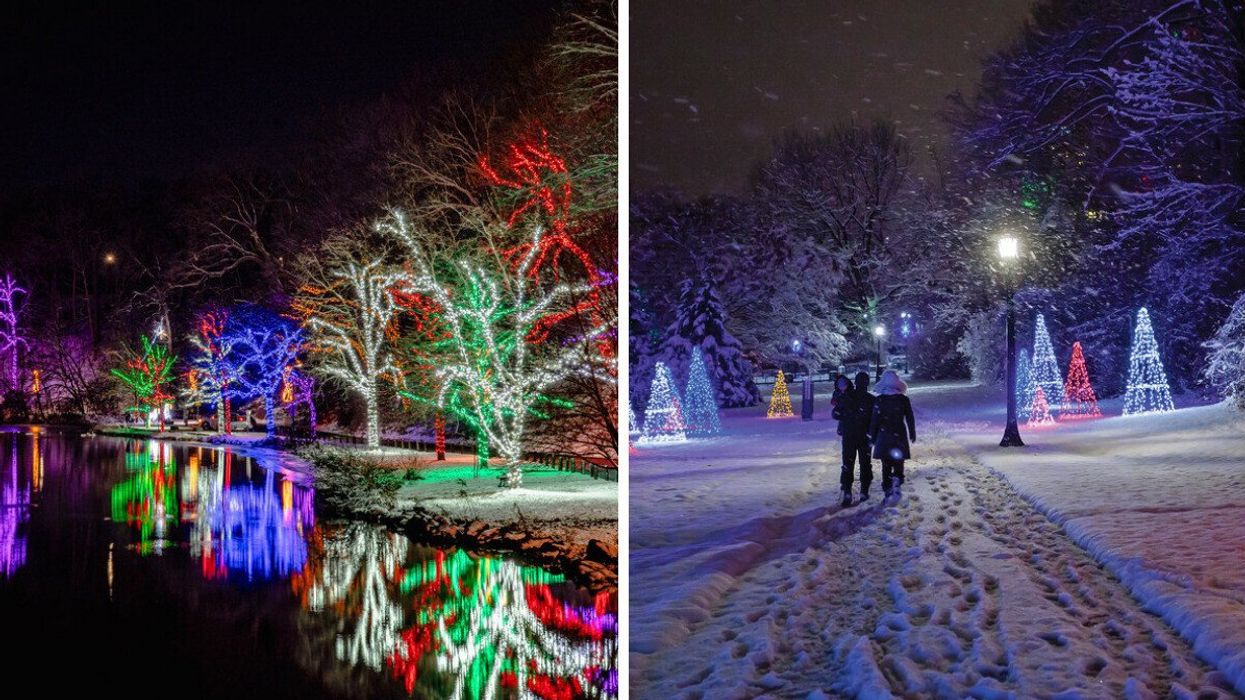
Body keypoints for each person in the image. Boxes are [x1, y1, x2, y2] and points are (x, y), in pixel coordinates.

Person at [869, 369, 916, 499]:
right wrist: (912, 432)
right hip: (899, 433)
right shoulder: (903, 400)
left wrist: (872, 437)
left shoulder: (879, 400)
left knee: (886, 463)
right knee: (898, 460)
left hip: (884, 435)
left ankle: (887, 486)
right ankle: (897, 479)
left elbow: (875, 420)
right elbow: (909, 417)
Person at [833, 371, 875, 506]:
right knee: (865, 464)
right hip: (865, 437)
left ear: (855, 383)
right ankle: (864, 491)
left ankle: (847, 492)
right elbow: (876, 420)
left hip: (849, 436)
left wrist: (844, 413)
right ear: (867, 383)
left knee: (848, 464)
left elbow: (836, 413)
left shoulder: (847, 396)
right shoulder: (871, 399)